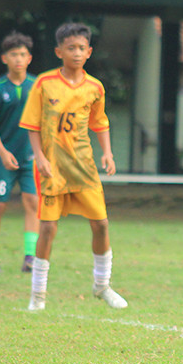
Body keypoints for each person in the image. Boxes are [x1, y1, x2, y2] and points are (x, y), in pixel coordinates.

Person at [19, 22, 126, 312]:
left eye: (81, 48)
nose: (76, 53)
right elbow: (31, 125)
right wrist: (39, 157)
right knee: (48, 230)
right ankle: (38, 295)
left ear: (89, 52)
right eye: (70, 48)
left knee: (101, 224)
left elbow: (100, 122)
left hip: (84, 166)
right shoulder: (44, 83)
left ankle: (102, 285)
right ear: (59, 51)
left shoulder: (95, 88)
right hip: (52, 168)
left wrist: (107, 153)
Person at [0, 32, 38, 273]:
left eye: (22, 55)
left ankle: (30, 258)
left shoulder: (36, 86)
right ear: (5, 58)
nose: (18, 59)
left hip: (30, 158)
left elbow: (43, 123)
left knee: (33, 203)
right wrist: (2, 153)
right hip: (3, 158)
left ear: (29, 58)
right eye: (13, 54)